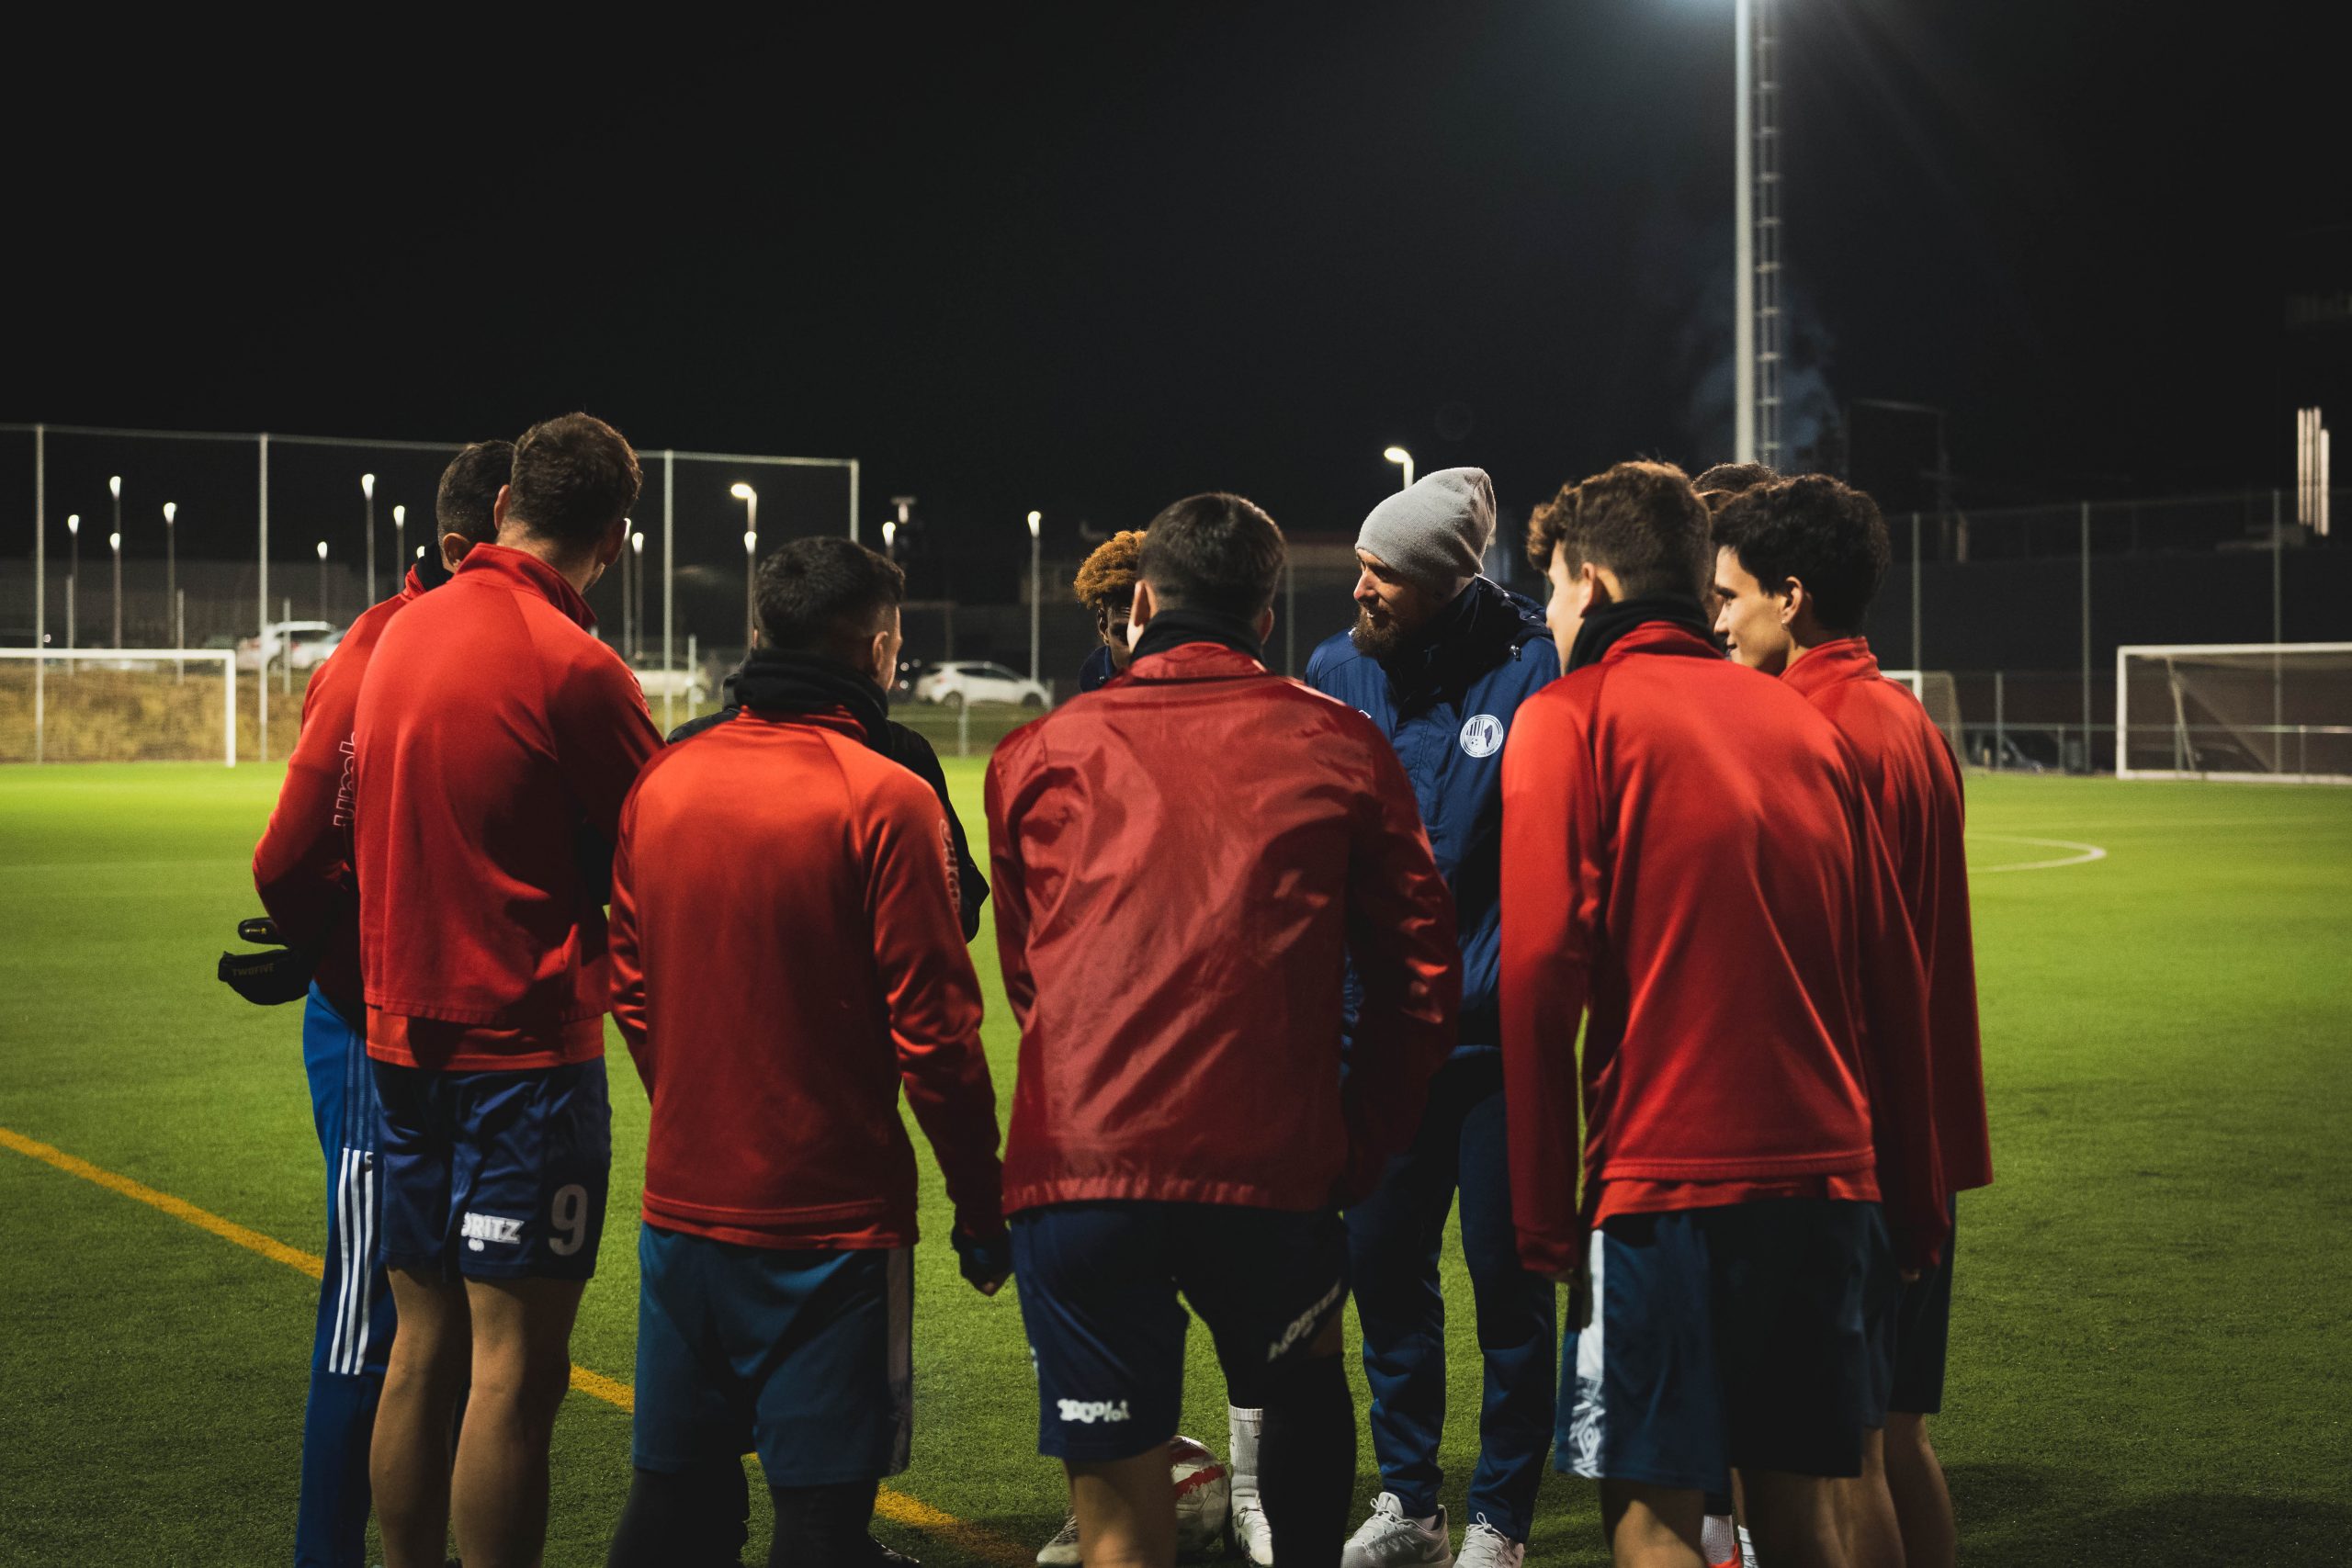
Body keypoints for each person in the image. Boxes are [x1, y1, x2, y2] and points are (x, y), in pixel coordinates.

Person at [988, 492, 1460, 1568]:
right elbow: (1420, 978)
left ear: (1141, 603)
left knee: (1119, 1532)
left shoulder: (1036, 751)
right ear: (1265, 614)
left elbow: (1030, 976)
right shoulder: (1339, 741)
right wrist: (1361, 1141)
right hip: (1270, 1166)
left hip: (1084, 1167)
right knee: (1299, 1400)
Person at [1498, 460, 1948, 1568]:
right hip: (1828, 1186)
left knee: (1651, 1511)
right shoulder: (1801, 722)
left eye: (1552, 590)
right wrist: (1913, 1199)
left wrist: (1540, 1218)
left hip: (1661, 1189)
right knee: (1803, 1512)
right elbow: (1892, 975)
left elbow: (1539, 973)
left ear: (1593, 583)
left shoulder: (1566, 717)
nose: (1548, 616)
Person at [604, 537, 1007, 1568]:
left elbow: (629, 983)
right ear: (879, 650)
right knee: (822, 1521)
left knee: (672, 1498)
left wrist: (700, 1105)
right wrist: (979, 1205)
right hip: (833, 1224)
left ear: (757, 633)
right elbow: (938, 1036)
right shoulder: (889, 796)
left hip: (684, 1207)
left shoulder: (664, 780)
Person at [352, 412, 662, 1568]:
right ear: (614, 540)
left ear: (500, 507)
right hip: (522, 1057)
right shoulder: (577, 667)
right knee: (514, 1374)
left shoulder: (399, 634)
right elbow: (661, 850)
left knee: (418, 1347)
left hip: (397, 1044)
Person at [1712, 475, 1993, 1568]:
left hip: (1853, 1145)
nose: (1717, 620)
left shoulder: (1808, 730)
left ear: (1790, 596)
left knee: (1841, 1460)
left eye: (1729, 595)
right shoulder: (1905, 718)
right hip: (1922, 1136)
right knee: (1896, 1435)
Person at [248, 437, 510, 1568]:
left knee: (444, 1321)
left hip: (455, 1031)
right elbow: (288, 855)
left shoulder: (471, 644)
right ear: (460, 547)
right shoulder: (379, 649)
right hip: (376, 1027)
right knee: (372, 1325)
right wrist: (343, 958)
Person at [1304, 468, 1559, 1568]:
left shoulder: (1537, 666)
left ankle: (1500, 1517)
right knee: (1383, 1275)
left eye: (1385, 573)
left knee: (1510, 1288)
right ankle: (1410, 1501)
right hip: (1374, 1040)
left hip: (1495, 1043)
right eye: (1362, 565)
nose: (1361, 587)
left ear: (1450, 580)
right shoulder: (1333, 668)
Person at [1071, 530, 1147, 693]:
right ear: (1103, 626)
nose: (1138, 654)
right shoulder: (1091, 681)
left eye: (1151, 635)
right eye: (1125, 636)